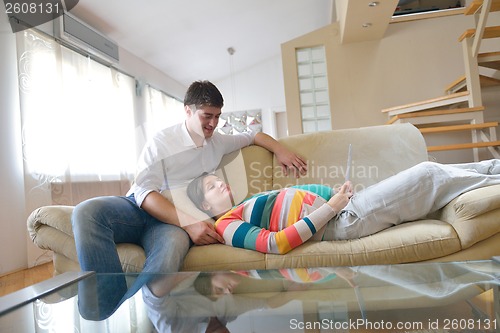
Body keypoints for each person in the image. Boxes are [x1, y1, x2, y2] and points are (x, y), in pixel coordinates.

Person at [71, 80, 307, 319]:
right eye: (207, 116)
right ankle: (102, 309)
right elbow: (143, 190)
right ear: (188, 110)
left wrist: (280, 149)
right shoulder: (163, 140)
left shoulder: (217, 142)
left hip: (169, 226)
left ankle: (136, 314)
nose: (213, 123)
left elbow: (253, 135)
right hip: (139, 209)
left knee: (166, 262)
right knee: (86, 212)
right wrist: (188, 222)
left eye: (217, 116)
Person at [187, 159, 500, 254]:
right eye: (212, 187)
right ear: (204, 204)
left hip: (344, 209)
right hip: (342, 222)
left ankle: (494, 168)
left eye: (219, 180)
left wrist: (334, 193)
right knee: (428, 174)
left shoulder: (242, 204)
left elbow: (295, 198)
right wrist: (334, 207)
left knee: (431, 177)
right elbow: (276, 243)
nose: (222, 184)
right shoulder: (226, 226)